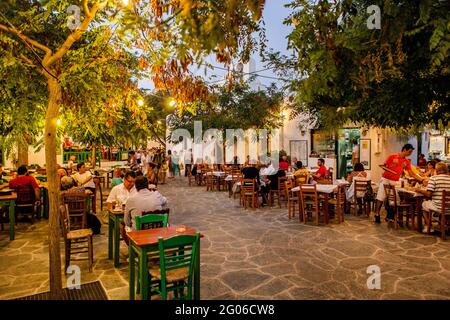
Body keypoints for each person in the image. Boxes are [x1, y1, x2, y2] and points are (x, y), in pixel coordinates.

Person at [374, 144, 426, 223]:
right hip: (386, 179)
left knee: (393, 199)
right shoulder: (392, 156)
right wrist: (387, 168)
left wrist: (421, 180)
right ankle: (377, 214)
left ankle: (390, 217)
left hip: (395, 181)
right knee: (381, 197)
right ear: (404, 149)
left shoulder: (406, 161)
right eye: (409, 151)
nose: (410, 153)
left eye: (411, 152)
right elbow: (384, 166)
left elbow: (412, 173)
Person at [415, 162, 450, 232]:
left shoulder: (434, 178)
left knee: (423, 204)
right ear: (446, 170)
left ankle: (429, 226)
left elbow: (428, 194)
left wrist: (419, 190)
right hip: (449, 207)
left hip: (439, 207)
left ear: (436, 171)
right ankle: (445, 225)